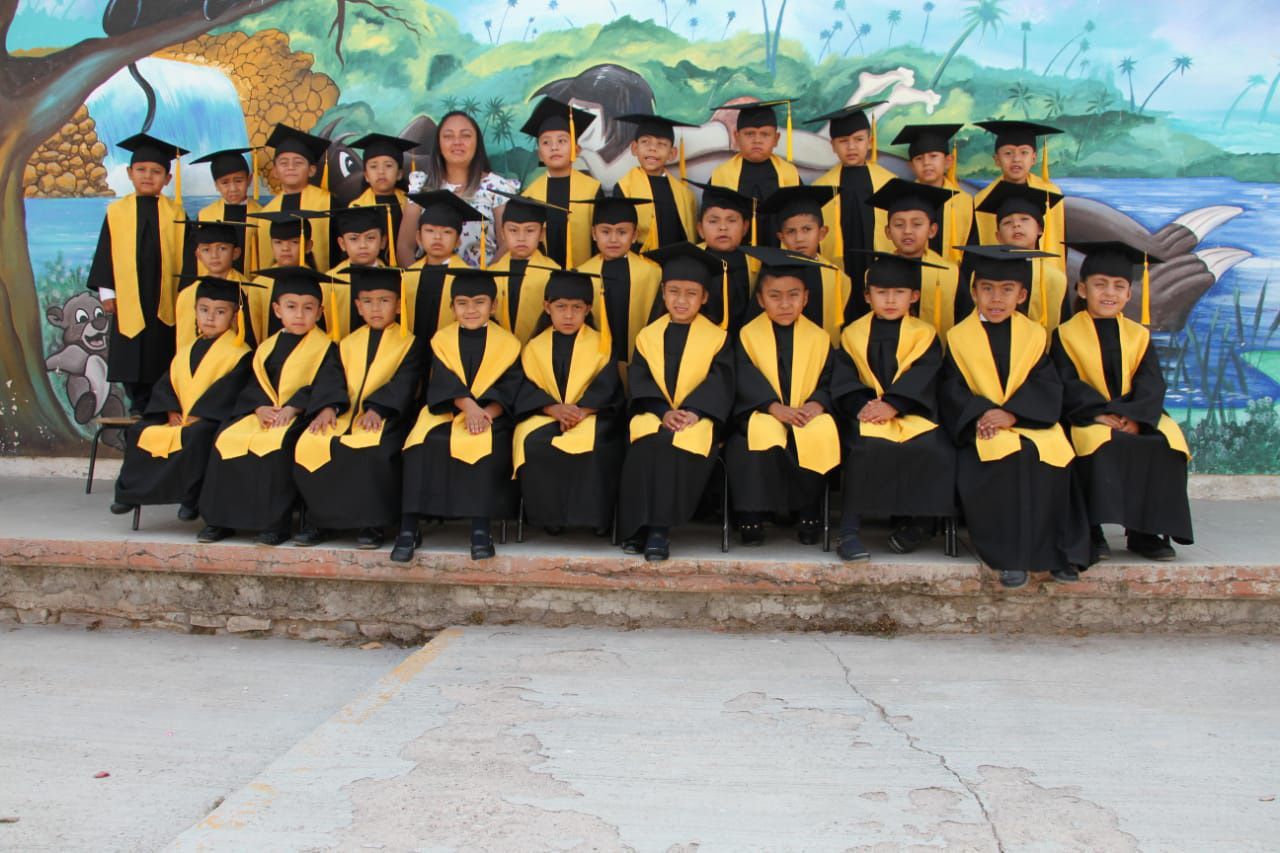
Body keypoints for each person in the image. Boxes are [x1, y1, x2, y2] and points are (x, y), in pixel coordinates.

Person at [940, 245, 1089, 588]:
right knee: (1007, 460)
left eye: (1007, 290)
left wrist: (1012, 414)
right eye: (987, 289)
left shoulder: (1035, 335)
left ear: (1022, 295)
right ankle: (1008, 559)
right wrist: (984, 413)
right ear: (974, 292)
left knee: (1048, 457)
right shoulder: (958, 337)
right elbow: (952, 390)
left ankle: (1059, 554)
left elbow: (1046, 384)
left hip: (1027, 422)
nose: (996, 299)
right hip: (982, 426)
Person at [1051, 241, 1193, 561]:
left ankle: (1145, 533)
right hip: (1088, 415)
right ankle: (1092, 529)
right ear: (1082, 289)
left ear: (1129, 295)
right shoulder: (1065, 334)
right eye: (1100, 285)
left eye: (1119, 286)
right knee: (1098, 443)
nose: (1109, 293)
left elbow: (1152, 381)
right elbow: (1065, 382)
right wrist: (1099, 413)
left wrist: (1135, 416)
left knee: (1166, 444)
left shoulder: (1138, 335)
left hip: (1135, 412)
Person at [197, 266, 346, 546]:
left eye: (308, 308)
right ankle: (219, 520)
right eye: (291, 307)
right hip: (264, 413)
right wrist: (258, 408)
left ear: (320, 312)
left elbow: (327, 384)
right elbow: (254, 384)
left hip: (299, 416)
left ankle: (273, 525)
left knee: (277, 447)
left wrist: (294, 408)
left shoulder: (326, 347)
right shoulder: (266, 346)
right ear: (277, 310)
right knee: (227, 438)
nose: (299, 315)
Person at [831, 252, 956, 561]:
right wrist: (862, 406)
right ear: (867, 296)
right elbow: (845, 377)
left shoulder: (923, 334)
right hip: (866, 414)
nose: (890, 300)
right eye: (881, 293)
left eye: (899, 293)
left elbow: (925, 374)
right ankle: (849, 531)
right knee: (865, 448)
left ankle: (917, 525)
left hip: (912, 414)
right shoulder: (852, 333)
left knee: (935, 449)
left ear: (913, 296)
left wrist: (895, 404)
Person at [395, 269, 524, 562]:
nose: (471, 310)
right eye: (462, 303)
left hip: (493, 414)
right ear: (451, 307)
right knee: (421, 444)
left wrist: (486, 413)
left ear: (493, 306)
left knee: (484, 446)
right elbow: (441, 381)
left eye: (479, 302)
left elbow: (510, 386)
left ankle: (480, 527)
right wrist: (469, 408)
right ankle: (409, 527)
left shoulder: (508, 343)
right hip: (448, 409)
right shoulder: (441, 340)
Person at [293, 266, 425, 550]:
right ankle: (321, 521)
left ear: (399, 305)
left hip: (387, 417)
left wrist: (378, 410)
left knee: (372, 450)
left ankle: (372, 524)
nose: (375, 308)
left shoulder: (410, 344)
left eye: (384, 300)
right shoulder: (345, 343)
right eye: (367, 301)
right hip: (343, 414)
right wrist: (327, 408)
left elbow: (404, 383)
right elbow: (331, 378)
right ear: (357, 306)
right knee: (313, 442)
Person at [618, 242, 735, 561]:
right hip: (653, 412)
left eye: (691, 293)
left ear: (705, 297)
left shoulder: (717, 338)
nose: (681, 300)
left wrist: (695, 411)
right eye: (674, 291)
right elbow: (640, 380)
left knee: (675, 443)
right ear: (663, 293)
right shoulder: (647, 336)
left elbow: (720, 382)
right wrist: (661, 411)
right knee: (648, 439)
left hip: (698, 419)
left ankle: (658, 529)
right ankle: (638, 524)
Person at [109, 276, 255, 521]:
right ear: (195, 313)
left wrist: (201, 414)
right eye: (204, 310)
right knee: (141, 431)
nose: (210, 317)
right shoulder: (186, 351)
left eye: (220, 312)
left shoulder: (240, 353)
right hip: (179, 417)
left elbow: (230, 390)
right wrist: (169, 410)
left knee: (198, 434)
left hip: (211, 419)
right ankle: (129, 495)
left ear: (234, 316)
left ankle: (191, 500)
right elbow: (167, 385)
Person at [725, 249, 839, 547]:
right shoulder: (747, 335)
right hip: (764, 411)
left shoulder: (820, 338)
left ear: (806, 298)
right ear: (761, 300)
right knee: (750, 438)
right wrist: (772, 407)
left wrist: (817, 403)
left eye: (793, 295)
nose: (785, 304)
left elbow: (830, 378)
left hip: (806, 412)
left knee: (818, 433)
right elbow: (742, 377)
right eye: (775, 296)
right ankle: (751, 517)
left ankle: (809, 515)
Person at [512, 269, 624, 534]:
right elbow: (526, 387)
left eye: (577, 307)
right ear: (547, 307)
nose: (569, 315)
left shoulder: (602, 345)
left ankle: (595, 520)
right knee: (534, 443)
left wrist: (580, 411)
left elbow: (609, 386)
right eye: (561, 307)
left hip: (591, 414)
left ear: (588, 309)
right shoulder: (534, 347)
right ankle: (550, 518)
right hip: (546, 414)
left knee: (594, 444)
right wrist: (554, 409)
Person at [87, 132, 188, 414]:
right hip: (128, 302)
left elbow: (188, 257)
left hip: (163, 298)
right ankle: (137, 409)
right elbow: (105, 252)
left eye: (156, 172)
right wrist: (107, 292)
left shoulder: (176, 213)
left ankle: (160, 408)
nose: (148, 176)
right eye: (141, 170)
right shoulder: (116, 212)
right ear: (130, 173)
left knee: (162, 353)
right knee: (132, 354)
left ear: (167, 179)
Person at [398, 111, 520, 268]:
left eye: (466, 135)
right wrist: (417, 283)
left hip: (481, 285)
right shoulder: (422, 186)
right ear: (439, 144)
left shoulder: (497, 187)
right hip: (430, 281)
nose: (457, 142)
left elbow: (506, 245)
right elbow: (405, 246)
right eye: (448, 136)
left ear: (477, 143)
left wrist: (486, 282)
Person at [807, 101, 896, 294]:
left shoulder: (890, 184)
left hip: (881, 272)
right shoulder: (821, 188)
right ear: (833, 146)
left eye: (858, 139)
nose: (851, 147)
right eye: (843, 141)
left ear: (870, 141)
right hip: (839, 269)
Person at [866, 178, 966, 338]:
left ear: (932, 230)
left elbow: (964, 320)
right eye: (899, 225)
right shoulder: (876, 272)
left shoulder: (951, 274)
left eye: (917, 224)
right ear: (888, 232)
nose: (907, 231)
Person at [575, 198, 664, 373]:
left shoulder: (651, 273)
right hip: (594, 365)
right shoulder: (581, 273)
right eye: (605, 232)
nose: (613, 239)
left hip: (640, 361)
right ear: (594, 234)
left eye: (622, 232)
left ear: (635, 235)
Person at [972, 120, 1066, 276]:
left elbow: (1059, 244)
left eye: (1024, 152)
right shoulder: (982, 199)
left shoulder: (1051, 194)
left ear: (1034, 158)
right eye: (1008, 153)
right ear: (996, 160)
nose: (1016, 159)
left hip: (1042, 277)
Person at [758, 185, 851, 342]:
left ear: (822, 233)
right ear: (781, 237)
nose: (799, 238)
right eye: (791, 231)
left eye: (807, 229)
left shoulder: (837, 277)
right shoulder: (771, 272)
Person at [520, 98, 603, 269]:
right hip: (543, 280)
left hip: (585, 278)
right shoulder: (530, 195)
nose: (554, 147)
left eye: (562, 141)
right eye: (546, 142)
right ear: (540, 155)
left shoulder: (592, 189)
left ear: (576, 149)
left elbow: (599, 240)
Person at [976, 181, 1069, 330]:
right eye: (1007, 222)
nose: (1016, 225)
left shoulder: (1055, 279)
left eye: (1025, 219)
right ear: (998, 236)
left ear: (1040, 229)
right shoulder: (984, 274)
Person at [709, 100, 800, 247]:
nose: (757, 140)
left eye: (765, 134)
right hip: (736, 258)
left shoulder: (790, 175)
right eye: (749, 134)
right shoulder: (721, 175)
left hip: (779, 256)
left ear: (776, 139)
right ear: (737, 137)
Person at [256, 123, 340, 271]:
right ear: (275, 171)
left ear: (312, 170)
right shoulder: (266, 213)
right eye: (284, 163)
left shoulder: (328, 203)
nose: (290, 167)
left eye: (298, 162)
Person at [890, 123, 975, 265]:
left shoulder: (964, 201)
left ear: (948, 162)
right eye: (919, 158)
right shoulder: (903, 200)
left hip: (953, 277)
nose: (926, 163)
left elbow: (971, 247)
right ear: (911, 166)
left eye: (933, 156)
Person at [401, 190, 479, 340]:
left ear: (458, 241)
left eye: (447, 232)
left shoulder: (467, 278)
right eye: (430, 231)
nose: (437, 237)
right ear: (418, 238)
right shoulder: (408, 276)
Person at [613, 113, 698, 250]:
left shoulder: (684, 195)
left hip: (673, 264)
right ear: (635, 148)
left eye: (661, 144)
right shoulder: (624, 188)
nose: (653, 148)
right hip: (639, 264)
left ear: (672, 154)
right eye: (645, 142)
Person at [488, 191, 564, 344]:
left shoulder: (554, 273)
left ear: (541, 234)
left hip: (539, 352)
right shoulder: (491, 274)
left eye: (530, 230)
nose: (521, 238)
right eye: (513, 230)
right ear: (502, 233)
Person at [689, 180, 761, 335]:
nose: (723, 227)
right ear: (700, 230)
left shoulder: (757, 263)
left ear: (745, 227)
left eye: (731, 220)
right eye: (713, 221)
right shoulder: (691, 262)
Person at [176, 220, 260, 349]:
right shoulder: (187, 294)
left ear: (236, 253)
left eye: (222, 248)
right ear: (198, 255)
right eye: (206, 250)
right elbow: (184, 341)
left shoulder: (249, 291)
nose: (214, 256)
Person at [321, 205, 392, 340]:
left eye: (370, 238)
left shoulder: (394, 277)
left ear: (383, 241)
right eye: (354, 239)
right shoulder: (328, 282)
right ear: (342, 244)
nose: (362, 245)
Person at [190, 146, 263, 274]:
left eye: (239, 181)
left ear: (249, 179)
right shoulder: (205, 216)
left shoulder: (261, 215)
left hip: (249, 287)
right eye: (225, 183)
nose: (233, 188)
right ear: (216, 185)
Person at [348, 132, 417, 265]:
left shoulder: (411, 203)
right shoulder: (356, 207)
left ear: (399, 174)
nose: (381, 172)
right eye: (373, 166)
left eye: (388, 165)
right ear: (366, 176)